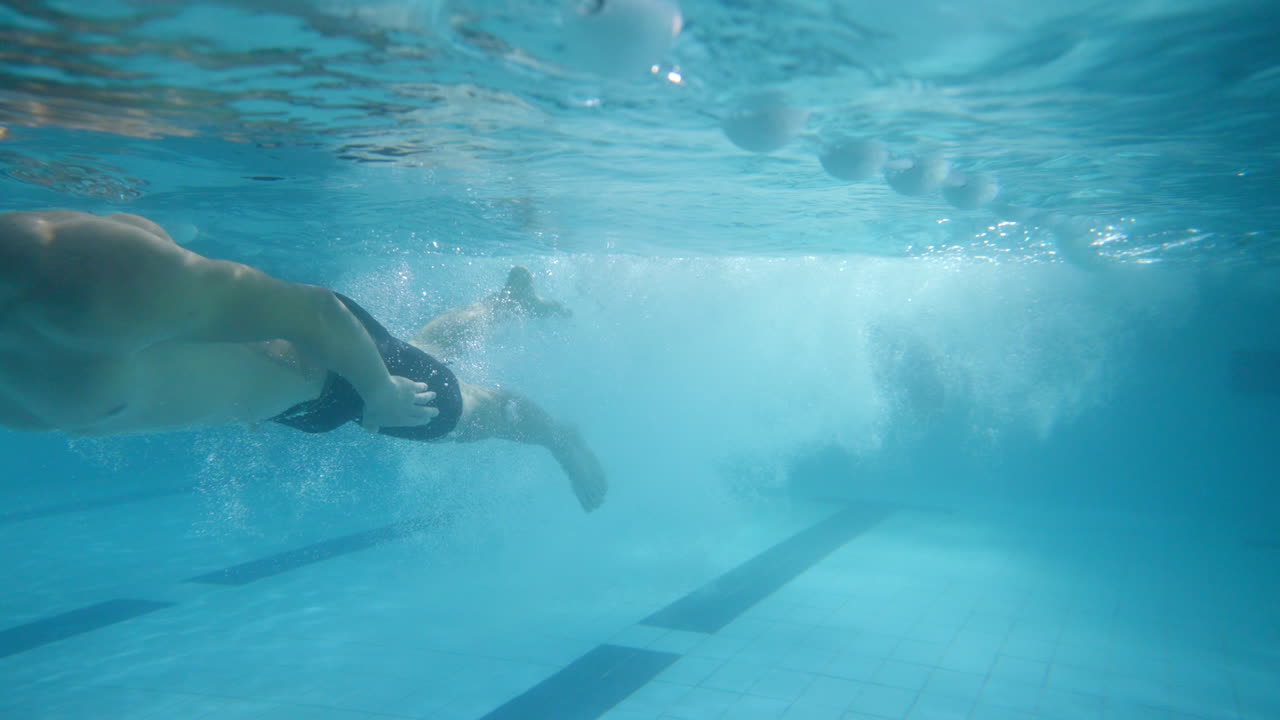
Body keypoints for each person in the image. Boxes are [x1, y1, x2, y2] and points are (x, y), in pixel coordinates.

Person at [0, 210, 606, 511]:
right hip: (290, 401)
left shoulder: (69, 274)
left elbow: (312, 313)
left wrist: (380, 393)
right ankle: (506, 303)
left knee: (464, 409)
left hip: (328, 366)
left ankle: (561, 438)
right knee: (430, 350)